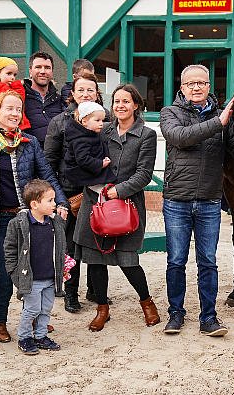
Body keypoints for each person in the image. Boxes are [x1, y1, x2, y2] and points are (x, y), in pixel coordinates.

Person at [0, 90, 67, 343]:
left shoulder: (30, 143)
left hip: (30, 219)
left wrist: (60, 201)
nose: (15, 113)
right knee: (7, 273)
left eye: (19, 109)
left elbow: (47, 175)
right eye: (9, 108)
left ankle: (34, 318)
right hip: (0, 220)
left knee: (36, 270)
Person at [160, 64, 234, 337]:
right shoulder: (170, 113)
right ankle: (176, 314)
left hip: (210, 199)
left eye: (201, 82)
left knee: (208, 261)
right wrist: (218, 122)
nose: (197, 87)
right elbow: (180, 138)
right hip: (177, 199)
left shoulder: (224, 117)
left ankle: (208, 317)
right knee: (176, 260)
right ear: (182, 87)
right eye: (191, 83)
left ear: (209, 86)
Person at [73, 83, 160, 331]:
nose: (120, 106)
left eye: (126, 101)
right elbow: (84, 157)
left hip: (127, 205)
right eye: (117, 101)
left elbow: (144, 174)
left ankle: (147, 302)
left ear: (136, 105)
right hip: (95, 202)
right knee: (95, 260)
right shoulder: (102, 129)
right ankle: (102, 308)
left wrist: (118, 191)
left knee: (128, 260)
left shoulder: (146, 135)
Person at [44, 74, 105, 313]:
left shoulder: (103, 119)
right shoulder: (60, 122)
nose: (86, 94)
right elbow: (50, 160)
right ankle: (71, 293)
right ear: (73, 93)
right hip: (69, 192)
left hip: (96, 190)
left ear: (97, 93)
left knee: (98, 242)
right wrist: (58, 196)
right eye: (81, 90)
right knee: (71, 245)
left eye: (90, 90)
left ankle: (95, 290)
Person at [4, 179, 66, 355]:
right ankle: (24, 337)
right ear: (34, 204)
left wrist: (62, 266)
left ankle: (40, 336)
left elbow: (60, 246)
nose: (54, 204)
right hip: (31, 279)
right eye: (50, 200)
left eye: (54, 200)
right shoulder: (18, 223)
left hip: (50, 277)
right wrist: (13, 272)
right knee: (32, 309)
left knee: (46, 309)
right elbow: (9, 249)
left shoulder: (54, 222)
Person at [63, 101, 114, 187]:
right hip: (81, 176)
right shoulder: (80, 140)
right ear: (84, 121)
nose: (101, 124)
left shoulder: (90, 134)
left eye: (102, 120)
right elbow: (83, 159)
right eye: (97, 120)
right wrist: (100, 164)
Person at [23, 51, 64, 146]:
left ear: (52, 72)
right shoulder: (20, 98)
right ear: (30, 71)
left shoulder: (59, 100)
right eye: (38, 67)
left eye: (47, 68)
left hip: (56, 153)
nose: (43, 71)